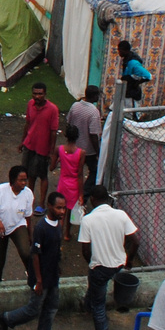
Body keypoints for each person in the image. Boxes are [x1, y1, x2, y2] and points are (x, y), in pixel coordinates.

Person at [0, 191, 67, 330]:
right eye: (58, 208)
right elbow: (35, 255)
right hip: (41, 277)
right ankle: (6, 318)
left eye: (64, 208)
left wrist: (58, 266)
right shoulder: (41, 227)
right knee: (33, 310)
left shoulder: (57, 225)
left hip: (53, 275)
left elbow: (55, 250)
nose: (62, 212)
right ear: (49, 207)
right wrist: (39, 281)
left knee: (51, 308)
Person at [81, 184, 141, 330]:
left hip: (100, 267)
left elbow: (85, 250)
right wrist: (128, 261)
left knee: (99, 307)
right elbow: (135, 242)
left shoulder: (88, 220)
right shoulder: (121, 215)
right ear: (107, 198)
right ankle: (86, 306)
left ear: (92, 199)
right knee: (95, 289)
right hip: (118, 264)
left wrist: (92, 263)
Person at [0, 165, 36, 285]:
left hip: (17, 224)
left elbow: (28, 216)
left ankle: (34, 279)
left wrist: (29, 234)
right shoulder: (0, 191)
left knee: (26, 252)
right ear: (13, 180)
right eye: (21, 180)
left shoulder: (28, 194)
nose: (24, 183)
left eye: (25, 180)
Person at [20, 83, 59, 211]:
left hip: (43, 149)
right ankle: (29, 201)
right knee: (29, 175)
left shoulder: (52, 109)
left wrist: (51, 152)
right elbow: (27, 123)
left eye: (40, 94)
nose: (37, 96)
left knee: (42, 175)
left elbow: (53, 132)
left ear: (45, 94)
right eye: (35, 93)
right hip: (29, 145)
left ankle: (41, 204)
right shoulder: (30, 104)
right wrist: (23, 141)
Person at [53, 125, 89, 229]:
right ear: (77, 136)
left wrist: (59, 160)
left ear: (65, 135)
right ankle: (67, 233)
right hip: (74, 185)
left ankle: (59, 232)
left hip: (63, 183)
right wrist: (81, 194)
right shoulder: (81, 153)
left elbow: (51, 167)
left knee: (61, 210)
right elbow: (80, 174)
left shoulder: (59, 149)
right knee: (70, 209)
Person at [67, 86, 103, 162]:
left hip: (74, 146)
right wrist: (98, 151)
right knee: (93, 170)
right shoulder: (94, 112)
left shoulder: (75, 106)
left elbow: (69, 123)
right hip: (88, 150)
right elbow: (93, 134)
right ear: (94, 96)